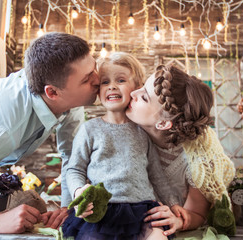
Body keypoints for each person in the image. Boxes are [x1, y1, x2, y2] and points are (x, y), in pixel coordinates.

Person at [0, 32, 99, 233]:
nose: (98, 79)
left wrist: (68, 208)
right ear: (52, 92)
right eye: (87, 79)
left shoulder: (68, 99)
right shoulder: (0, 127)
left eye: (95, 67)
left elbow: (72, 156)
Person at [62, 52, 186, 240]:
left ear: (136, 88)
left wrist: (173, 203)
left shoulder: (143, 131)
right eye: (105, 82)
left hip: (142, 210)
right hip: (102, 211)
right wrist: (79, 191)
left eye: (120, 80)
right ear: (98, 91)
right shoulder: (89, 130)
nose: (111, 86)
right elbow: (74, 169)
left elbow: (156, 174)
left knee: (158, 238)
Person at [126, 64, 236, 237]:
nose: (133, 93)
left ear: (162, 124)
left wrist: (179, 221)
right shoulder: (127, 132)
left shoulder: (198, 159)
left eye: (144, 97)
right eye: (141, 88)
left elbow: (198, 214)